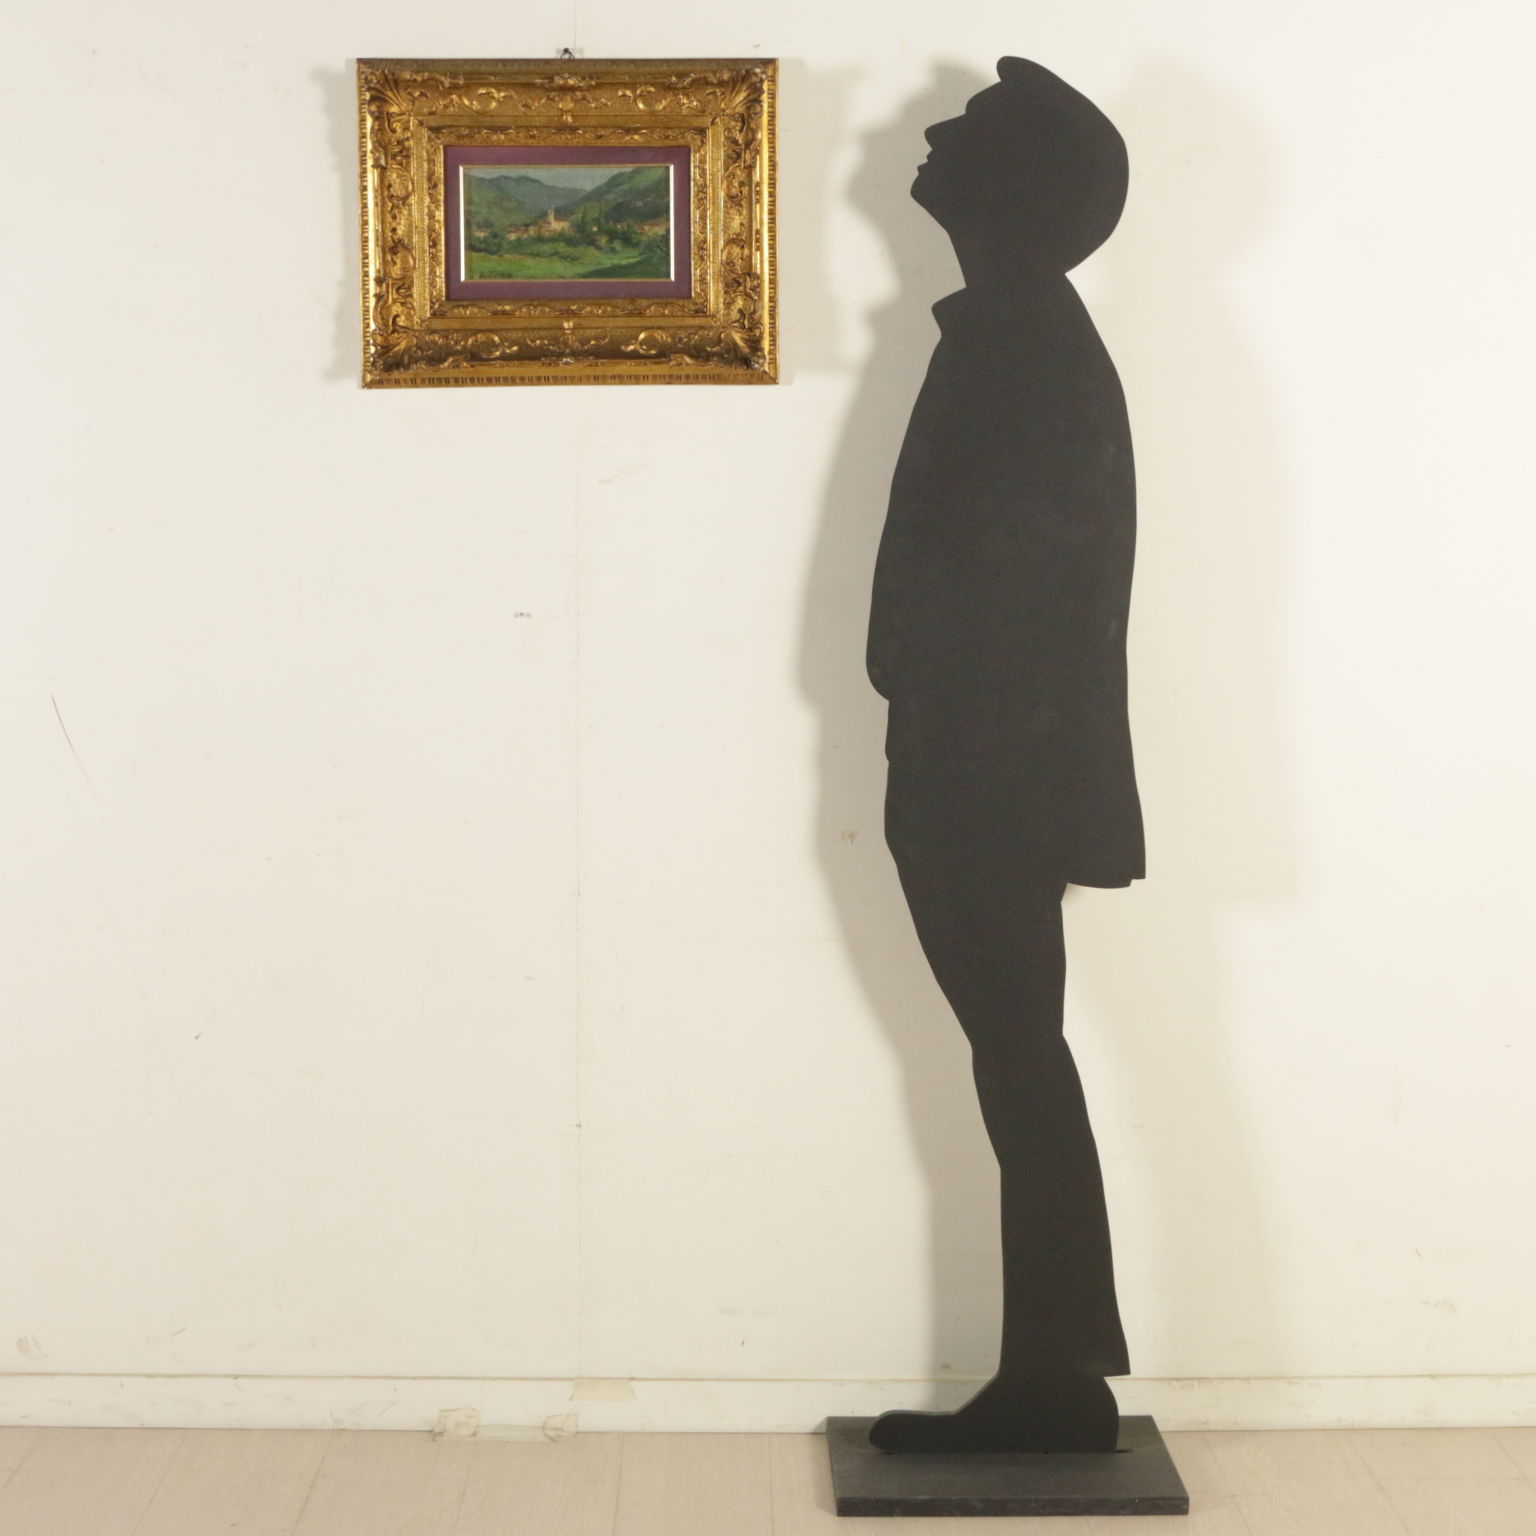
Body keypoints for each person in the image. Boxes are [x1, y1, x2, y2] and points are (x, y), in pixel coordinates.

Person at [864, 56, 1143, 1455]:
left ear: (1019, 190)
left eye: (971, 129)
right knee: (1019, 1057)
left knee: (1020, 1057)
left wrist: (947, 727)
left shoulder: (1026, 339)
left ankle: (1055, 1379)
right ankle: (1057, 1371)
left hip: (990, 770)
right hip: (981, 759)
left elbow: (1037, 584)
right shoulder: (1015, 330)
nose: (932, 133)